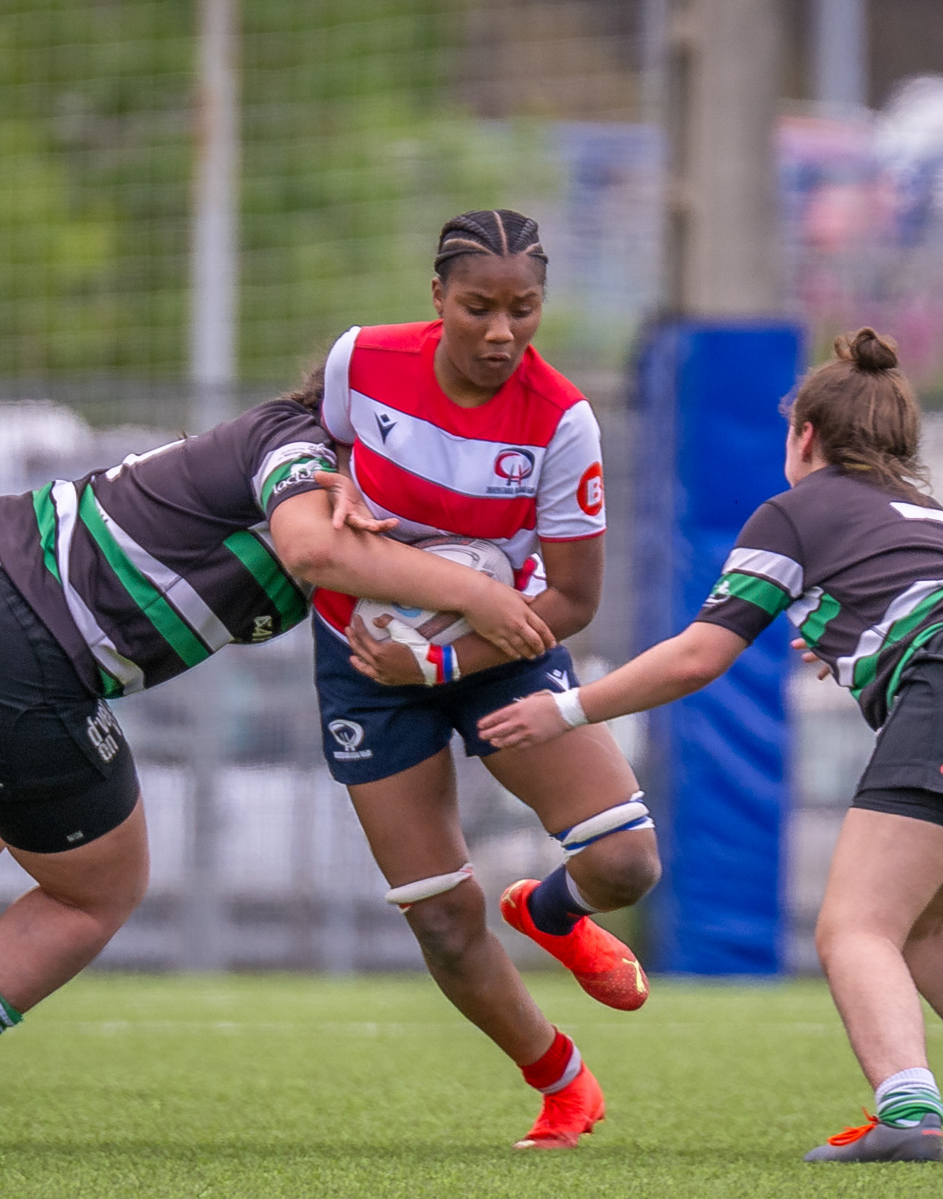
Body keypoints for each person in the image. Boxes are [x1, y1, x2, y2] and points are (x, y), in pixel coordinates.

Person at [0, 379, 555, 1149]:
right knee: (99, 888)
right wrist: (478, 591)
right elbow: (312, 546)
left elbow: (355, 574)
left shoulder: (349, 491)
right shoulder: (301, 443)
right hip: (11, 634)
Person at [479, 328, 943, 1164]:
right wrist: (849, 634)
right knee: (920, 917)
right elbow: (928, 597)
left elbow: (701, 653)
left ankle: (906, 1112)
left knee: (855, 925)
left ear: (803, 436)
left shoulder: (795, 508)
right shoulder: (928, 513)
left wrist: (565, 711)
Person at [309, 209, 659, 1150]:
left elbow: (576, 597)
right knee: (443, 919)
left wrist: (449, 657)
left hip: (501, 647)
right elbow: (293, 445)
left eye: (524, 309)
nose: (501, 333)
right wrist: (324, 480)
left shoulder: (561, 419)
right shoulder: (362, 361)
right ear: (436, 297)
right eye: (477, 308)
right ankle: (562, 1081)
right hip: (365, 662)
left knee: (627, 863)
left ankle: (550, 912)